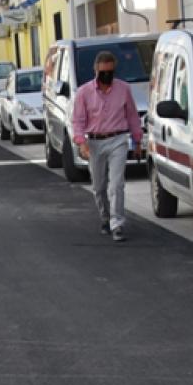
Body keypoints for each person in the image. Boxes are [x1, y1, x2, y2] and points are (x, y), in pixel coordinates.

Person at [72, 50, 143, 243]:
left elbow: (132, 117)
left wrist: (137, 141)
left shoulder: (124, 89)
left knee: (117, 184)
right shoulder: (84, 92)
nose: (107, 76)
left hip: (118, 139)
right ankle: (105, 217)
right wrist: (81, 141)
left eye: (110, 72)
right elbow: (77, 121)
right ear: (96, 70)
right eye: (103, 72)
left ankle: (117, 223)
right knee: (99, 186)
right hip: (94, 142)